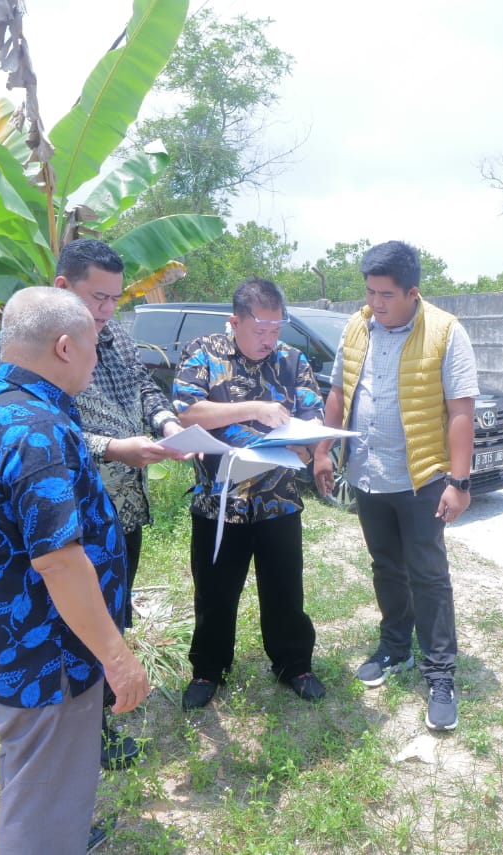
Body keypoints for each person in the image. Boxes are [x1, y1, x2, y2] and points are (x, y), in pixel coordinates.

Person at [0, 287, 150, 854]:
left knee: (37, 772)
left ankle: (54, 833)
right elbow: (59, 561)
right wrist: (118, 658)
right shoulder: (37, 430)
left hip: (11, 640)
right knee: (45, 785)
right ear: (65, 347)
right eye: (93, 345)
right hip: (49, 652)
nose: (97, 357)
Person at [313, 240, 478, 732]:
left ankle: (440, 673)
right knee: (385, 565)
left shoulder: (445, 331)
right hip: (368, 474)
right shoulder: (357, 326)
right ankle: (395, 647)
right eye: (370, 292)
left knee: (428, 574)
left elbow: (461, 411)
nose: (376, 303)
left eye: (386, 294)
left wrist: (459, 482)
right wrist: (324, 450)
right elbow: (339, 390)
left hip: (422, 478)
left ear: (412, 292)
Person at [53, 238, 187, 769]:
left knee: (115, 607)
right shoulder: (40, 345)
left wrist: (168, 424)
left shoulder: (117, 339)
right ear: (63, 288)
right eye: (98, 298)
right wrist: (111, 447)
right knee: (79, 617)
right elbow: (45, 427)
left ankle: (109, 696)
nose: (108, 309)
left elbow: (144, 389)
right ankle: (88, 730)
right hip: (74, 515)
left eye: (115, 298)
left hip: (124, 507)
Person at [172, 278, 326, 709]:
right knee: (215, 593)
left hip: (279, 500)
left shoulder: (291, 360)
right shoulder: (204, 352)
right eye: (260, 329)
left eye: (276, 329)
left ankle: (294, 664)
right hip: (219, 501)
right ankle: (208, 669)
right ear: (235, 321)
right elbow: (187, 412)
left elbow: (313, 413)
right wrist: (254, 408)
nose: (269, 339)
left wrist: (306, 444)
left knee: (285, 590)